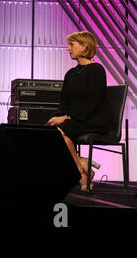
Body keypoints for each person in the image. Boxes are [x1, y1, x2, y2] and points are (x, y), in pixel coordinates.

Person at [47, 31, 112, 191]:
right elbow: (64, 103)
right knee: (49, 131)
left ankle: (80, 172)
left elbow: (92, 103)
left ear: (84, 46)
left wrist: (67, 117)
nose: (68, 48)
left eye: (72, 45)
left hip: (93, 120)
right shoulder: (70, 74)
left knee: (60, 131)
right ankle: (81, 163)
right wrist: (56, 117)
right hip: (76, 119)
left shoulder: (97, 70)